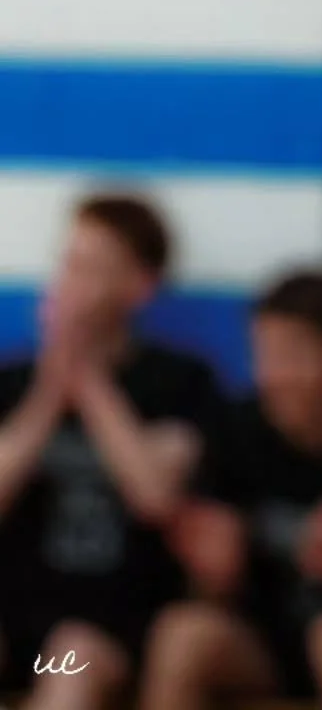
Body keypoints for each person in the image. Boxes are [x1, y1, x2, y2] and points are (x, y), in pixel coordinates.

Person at [140, 271, 322, 710]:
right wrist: (215, 564)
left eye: (292, 355)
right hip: (267, 637)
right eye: (263, 355)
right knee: (182, 633)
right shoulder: (236, 428)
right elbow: (216, 576)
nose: (274, 375)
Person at [0, 193, 222, 710]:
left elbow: (155, 495)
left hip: (116, 626)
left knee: (70, 660)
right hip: (17, 617)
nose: (70, 281)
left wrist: (90, 381)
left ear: (139, 286)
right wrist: (49, 391)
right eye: (68, 262)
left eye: (92, 267)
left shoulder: (181, 383)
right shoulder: (14, 383)